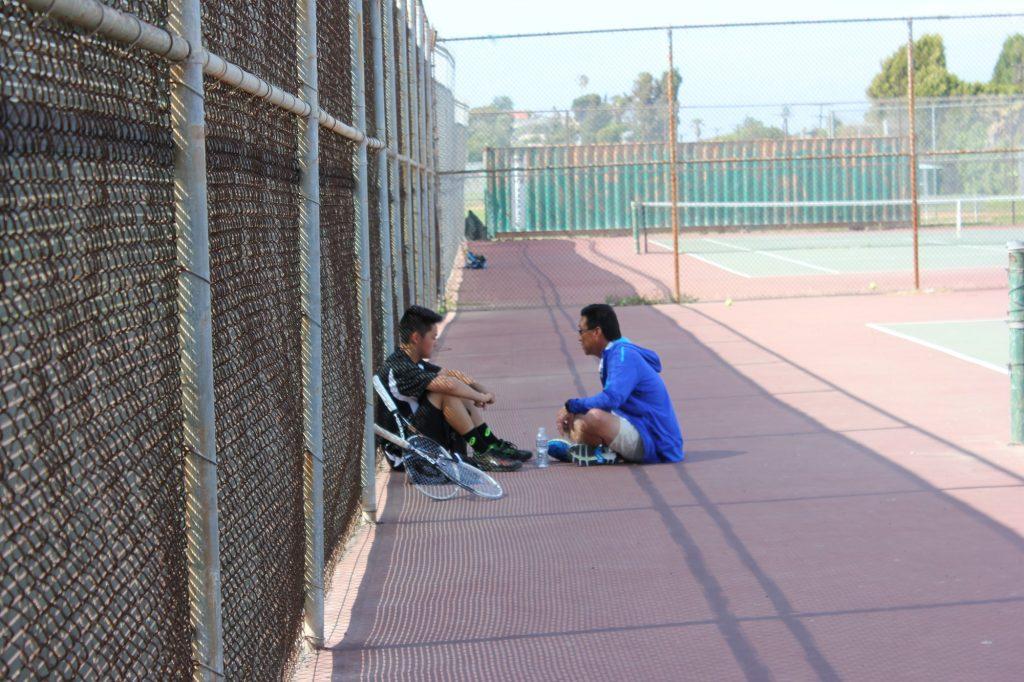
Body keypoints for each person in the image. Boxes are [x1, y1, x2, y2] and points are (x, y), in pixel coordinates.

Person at [376, 305, 530, 472]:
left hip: (418, 436)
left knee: (457, 390)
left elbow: (451, 375)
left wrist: (482, 390)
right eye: (433, 337)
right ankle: (483, 452)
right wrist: (479, 398)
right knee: (444, 393)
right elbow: (448, 385)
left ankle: (490, 445)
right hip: (405, 452)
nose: (436, 343)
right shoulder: (399, 367)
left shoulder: (413, 361)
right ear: (416, 338)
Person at [556, 304, 684, 464]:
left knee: (592, 416)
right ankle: (596, 451)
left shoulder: (623, 356)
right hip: (640, 428)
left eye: (581, 331)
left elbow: (612, 399)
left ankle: (598, 452)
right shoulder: (614, 353)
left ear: (596, 332)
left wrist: (572, 405)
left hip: (655, 442)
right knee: (579, 419)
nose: (579, 337)